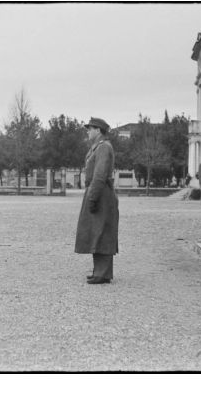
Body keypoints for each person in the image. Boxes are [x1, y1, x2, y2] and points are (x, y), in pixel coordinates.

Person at [75, 117, 119, 284]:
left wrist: (92, 198)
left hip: (101, 194)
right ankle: (100, 271)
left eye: (90, 128)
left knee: (102, 232)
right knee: (97, 232)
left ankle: (102, 273)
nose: (88, 131)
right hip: (99, 192)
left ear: (98, 130)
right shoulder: (98, 148)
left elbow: (99, 176)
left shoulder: (103, 148)